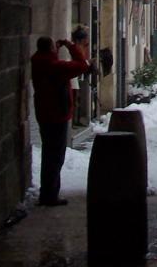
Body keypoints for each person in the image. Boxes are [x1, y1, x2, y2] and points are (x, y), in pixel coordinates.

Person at [31, 36, 90, 206]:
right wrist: (70, 46)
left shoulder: (38, 62)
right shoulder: (55, 67)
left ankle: (47, 192)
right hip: (57, 115)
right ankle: (49, 194)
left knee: (49, 153)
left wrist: (55, 50)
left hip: (44, 113)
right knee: (55, 156)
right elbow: (82, 65)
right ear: (51, 49)